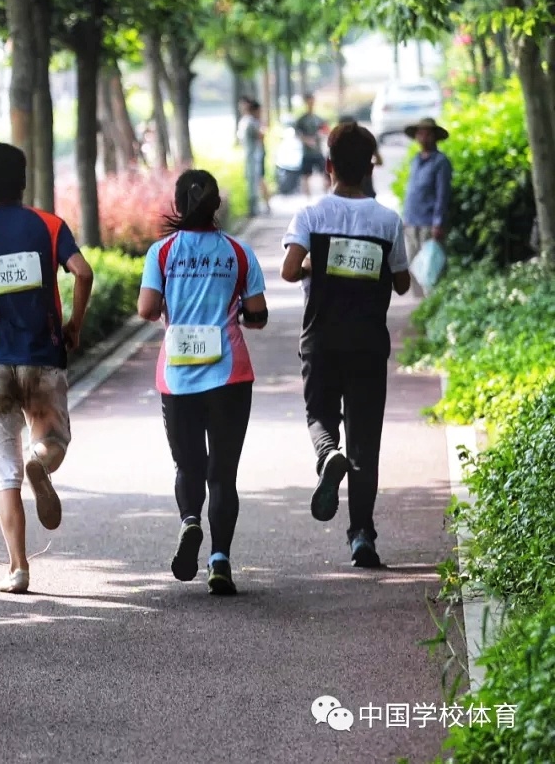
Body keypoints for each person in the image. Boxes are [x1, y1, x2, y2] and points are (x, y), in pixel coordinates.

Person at [0, 142, 94, 595]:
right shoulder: (49, 225)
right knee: (52, 439)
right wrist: (74, 324)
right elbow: (83, 272)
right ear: (23, 180)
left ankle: (18, 569)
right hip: (42, 353)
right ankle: (40, 461)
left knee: (3, 472)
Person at [279, 123, 411, 568]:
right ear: (370, 167)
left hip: (321, 337)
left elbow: (289, 270)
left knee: (319, 415)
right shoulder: (388, 221)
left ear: (329, 166)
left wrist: (318, 264)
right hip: (369, 343)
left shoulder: (311, 216)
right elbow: (402, 283)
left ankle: (327, 453)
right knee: (366, 442)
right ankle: (362, 536)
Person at [137, 169, 268, 595]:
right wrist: (240, 313)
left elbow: (146, 309)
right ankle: (220, 561)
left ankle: (190, 520)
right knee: (223, 474)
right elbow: (257, 313)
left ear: (178, 205)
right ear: (216, 206)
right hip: (230, 374)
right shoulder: (238, 252)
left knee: (187, 465)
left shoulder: (162, 252)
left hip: (177, 376)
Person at [401, 117, 452, 263]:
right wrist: (406, 217)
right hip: (412, 221)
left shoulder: (441, 161)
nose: (423, 137)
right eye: (420, 133)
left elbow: (443, 194)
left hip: (428, 224)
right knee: (411, 265)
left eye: (428, 134)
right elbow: (412, 190)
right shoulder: (416, 159)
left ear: (435, 137)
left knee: (429, 267)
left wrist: (438, 223)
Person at [238, 98, 271, 216]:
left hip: (253, 156)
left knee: (255, 180)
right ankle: (255, 207)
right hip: (253, 156)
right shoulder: (251, 122)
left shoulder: (246, 121)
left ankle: (256, 207)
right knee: (256, 180)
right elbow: (261, 135)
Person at [295, 93, 330, 197]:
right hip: (307, 152)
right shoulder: (301, 120)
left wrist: (321, 135)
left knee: (326, 173)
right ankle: (308, 198)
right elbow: (297, 134)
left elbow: (326, 130)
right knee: (306, 175)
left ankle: (326, 195)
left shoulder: (319, 118)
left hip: (318, 151)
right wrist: (306, 140)